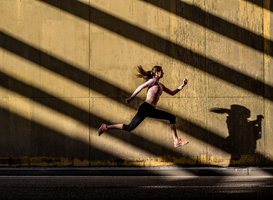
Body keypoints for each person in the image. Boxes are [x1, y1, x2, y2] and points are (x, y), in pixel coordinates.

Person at [98, 65, 189, 147]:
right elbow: (140, 87)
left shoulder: (161, 85)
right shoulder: (153, 80)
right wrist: (131, 98)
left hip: (151, 109)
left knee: (171, 117)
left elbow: (172, 93)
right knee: (129, 127)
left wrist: (182, 85)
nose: (163, 73)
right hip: (146, 108)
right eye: (162, 71)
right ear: (157, 73)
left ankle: (176, 141)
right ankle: (106, 127)